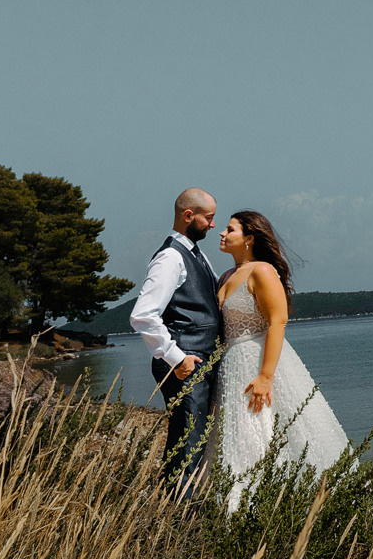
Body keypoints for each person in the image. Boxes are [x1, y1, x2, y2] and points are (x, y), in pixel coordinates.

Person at [210, 210, 351, 512]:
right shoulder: (225, 276)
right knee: (235, 438)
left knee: (261, 432)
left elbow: (278, 321)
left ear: (249, 238)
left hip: (259, 362)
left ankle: (263, 506)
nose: (221, 233)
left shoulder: (262, 271)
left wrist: (265, 377)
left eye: (229, 229)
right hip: (231, 366)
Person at [128, 188, 224, 495]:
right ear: (188, 216)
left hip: (198, 361)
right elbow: (143, 315)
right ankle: (181, 517)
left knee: (193, 438)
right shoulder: (170, 257)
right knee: (188, 442)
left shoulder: (195, 253)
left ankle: (184, 510)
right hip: (186, 364)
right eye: (208, 218)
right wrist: (176, 357)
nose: (212, 225)